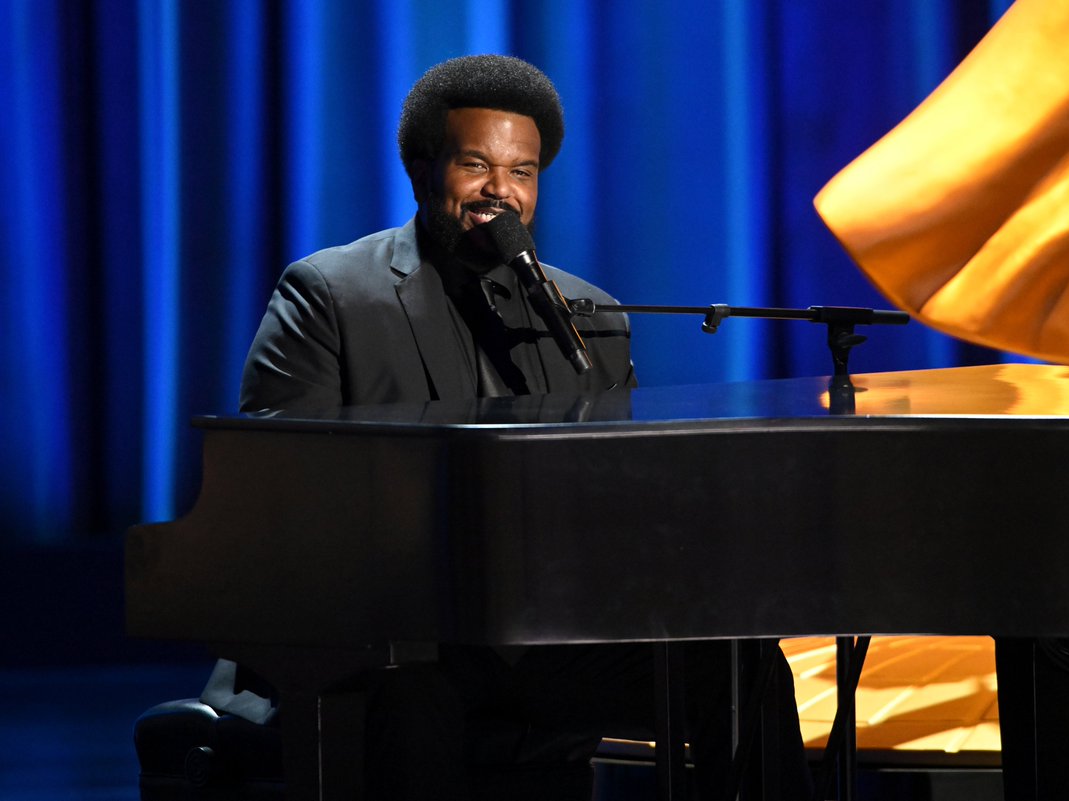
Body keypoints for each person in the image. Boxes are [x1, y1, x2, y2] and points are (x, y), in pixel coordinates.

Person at [204, 54, 813, 801]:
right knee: (413, 686)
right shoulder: (331, 293)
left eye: (522, 172)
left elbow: (617, 494)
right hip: (380, 628)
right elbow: (277, 488)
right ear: (424, 170)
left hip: (536, 639)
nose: (502, 191)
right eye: (476, 165)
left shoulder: (588, 315)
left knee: (738, 666)